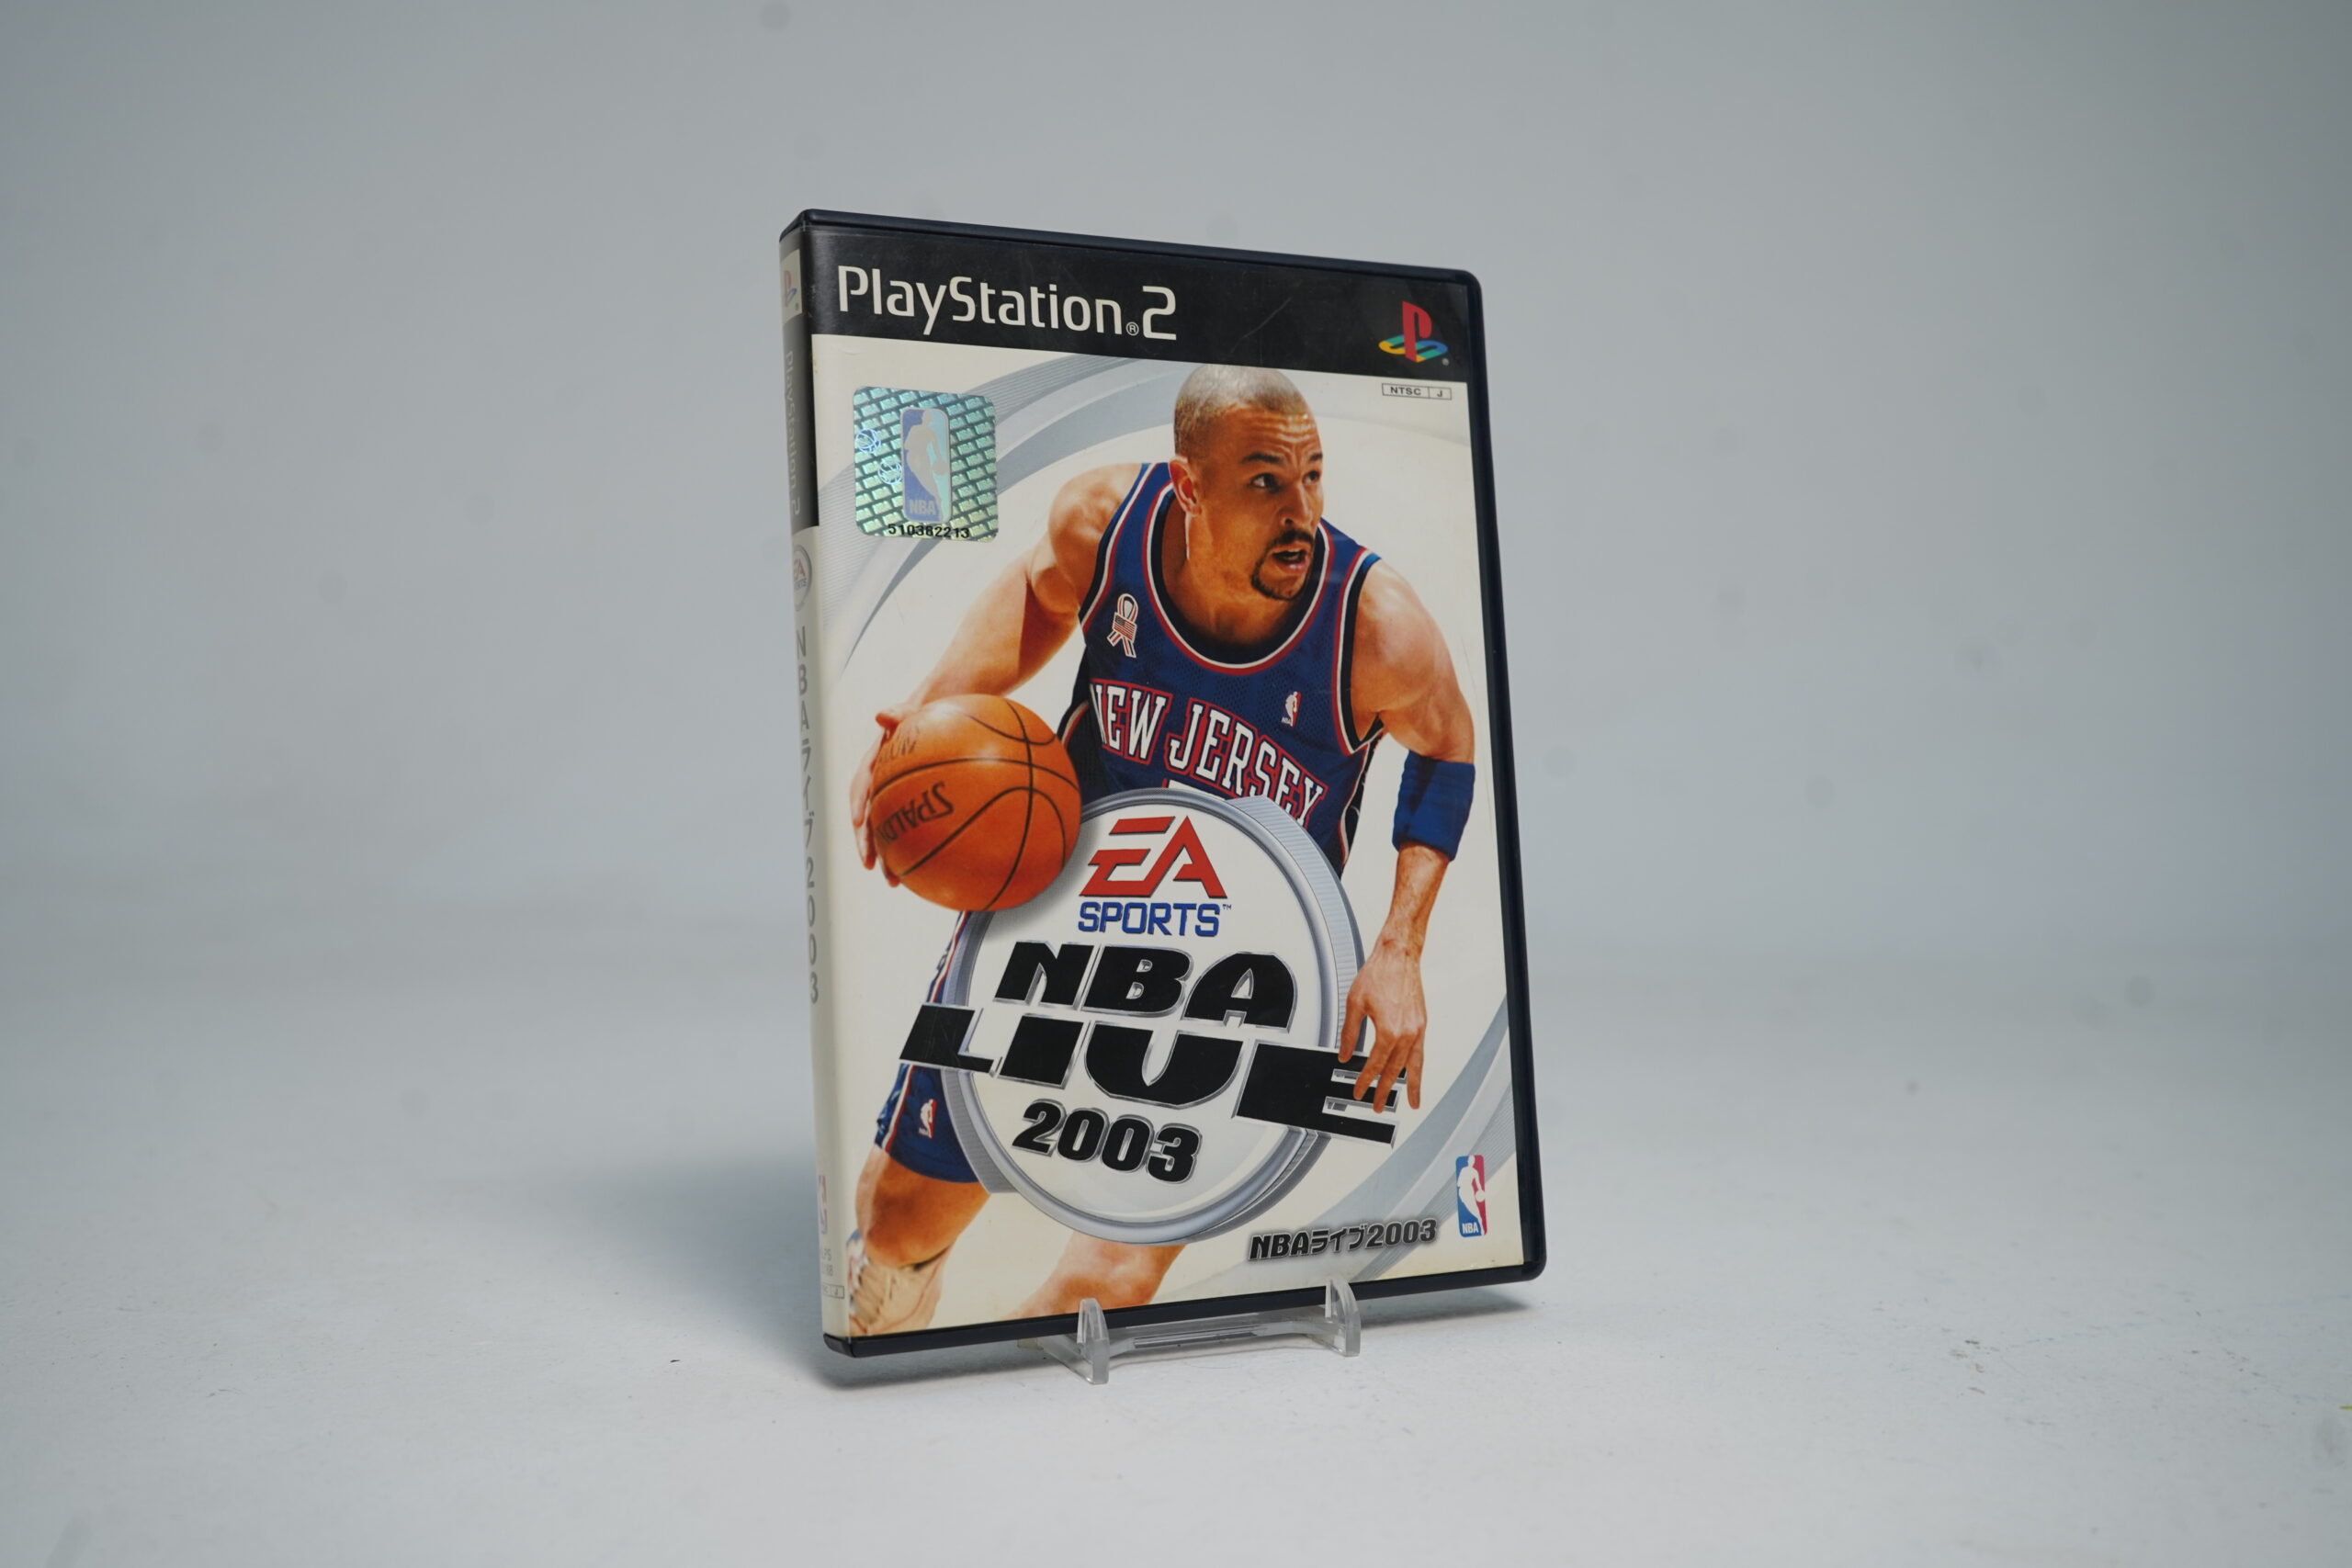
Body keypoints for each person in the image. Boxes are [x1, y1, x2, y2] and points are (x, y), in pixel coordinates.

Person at [845, 365, 1479, 1333]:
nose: (1301, 512)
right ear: (1189, 484)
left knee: (1109, 1282)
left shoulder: (1376, 625)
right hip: (1067, 908)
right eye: (1265, 482)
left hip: (1244, 969)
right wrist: (925, 711)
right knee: (894, 1219)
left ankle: (1001, 1404)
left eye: (1313, 476)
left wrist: (1400, 947)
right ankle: (896, 1309)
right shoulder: (1105, 524)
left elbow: (1448, 745)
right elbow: (1038, 596)